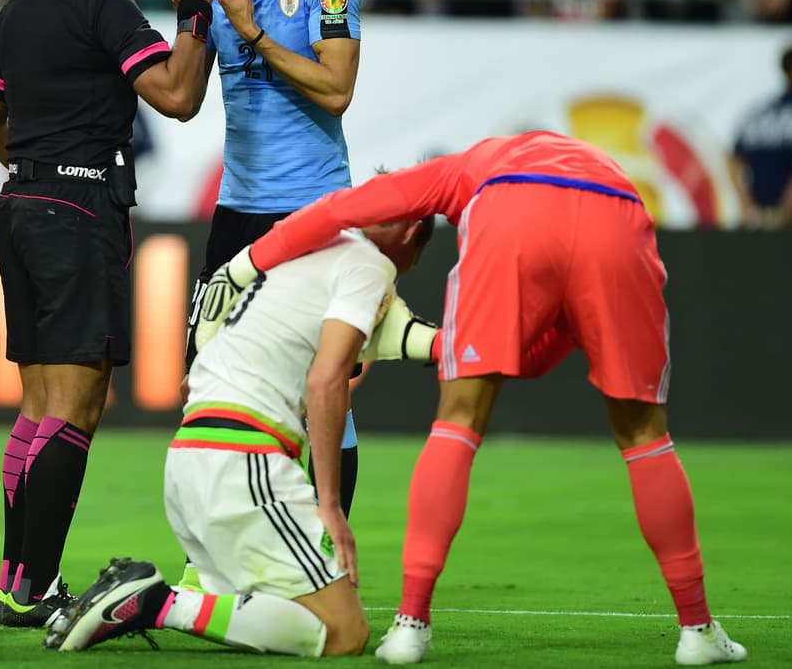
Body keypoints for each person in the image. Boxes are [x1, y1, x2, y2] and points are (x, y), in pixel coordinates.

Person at [196, 131, 750, 666]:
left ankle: (410, 626)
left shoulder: (455, 172)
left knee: (457, 422)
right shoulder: (553, 165)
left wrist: (243, 264)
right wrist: (528, 344)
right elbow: (542, 348)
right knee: (645, 437)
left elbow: (338, 209)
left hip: (508, 203)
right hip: (618, 212)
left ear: (415, 230)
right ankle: (697, 629)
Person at [0, 0, 219, 628]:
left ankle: (15, 579)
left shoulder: (21, 6)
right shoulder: (101, 8)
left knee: (40, 406)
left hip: (21, 205)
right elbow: (176, 97)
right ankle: (30, 589)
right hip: (79, 210)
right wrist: (195, 15)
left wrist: (39, 167)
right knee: (76, 407)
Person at [44, 217, 436, 656]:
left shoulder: (311, 246)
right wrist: (330, 504)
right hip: (246, 463)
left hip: (194, 455)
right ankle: (155, 603)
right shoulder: (368, 265)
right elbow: (327, 381)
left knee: (282, 610)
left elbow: (228, 282)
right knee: (345, 633)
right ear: (411, 232)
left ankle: (162, 602)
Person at [182, 0, 366, 586]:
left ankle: (327, 552)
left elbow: (337, 89)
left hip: (314, 210)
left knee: (326, 384)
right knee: (208, 380)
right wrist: (195, 17)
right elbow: (183, 95)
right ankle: (209, 564)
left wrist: (249, 30)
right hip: (238, 215)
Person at [729, 45, 792, 230]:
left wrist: (746, 206)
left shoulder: (758, 115)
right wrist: (786, 210)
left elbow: (734, 161)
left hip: (758, 215)